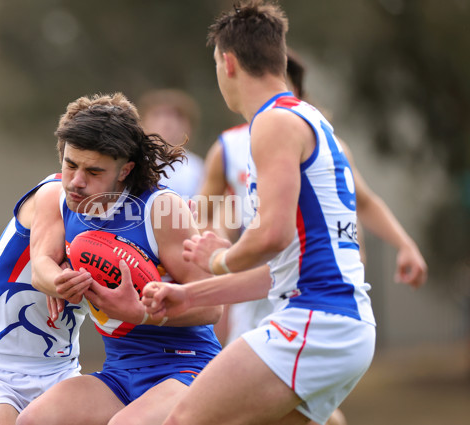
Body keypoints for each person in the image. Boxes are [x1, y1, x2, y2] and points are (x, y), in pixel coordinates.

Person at [142, 2, 377, 424]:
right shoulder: (309, 119)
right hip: (339, 325)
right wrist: (191, 295)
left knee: (182, 420)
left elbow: (272, 236)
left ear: (228, 63)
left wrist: (216, 259)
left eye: (215, 63)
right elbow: (280, 270)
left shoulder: (274, 124)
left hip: (315, 322)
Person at [16, 93, 223, 425]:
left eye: (93, 171)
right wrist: (58, 282)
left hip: (186, 367)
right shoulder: (59, 198)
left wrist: (141, 313)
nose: (76, 181)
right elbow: (41, 263)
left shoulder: (161, 210)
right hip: (120, 372)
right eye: (70, 165)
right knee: (33, 421)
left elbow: (213, 305)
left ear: (125, 169)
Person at [202, 51, 427, 348]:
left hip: (305, 284)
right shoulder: (228, 147)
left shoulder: (322, 141)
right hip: (252, 280)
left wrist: (403, 243)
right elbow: (203, 211)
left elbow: (363, 202)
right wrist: (219, 241)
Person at [0, 173, 91, 425]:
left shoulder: (124, 216)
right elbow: (42, 271)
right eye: (72, 163)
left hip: (61, 370)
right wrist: (62, 275)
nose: (79, 177)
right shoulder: (51, 193)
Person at [138, 88, 205, 198]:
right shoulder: (131, 166)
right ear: (142, 123)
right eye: (158, 115)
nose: (166, 123)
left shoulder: (197, 170)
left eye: (175, 116)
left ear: (187, 126)